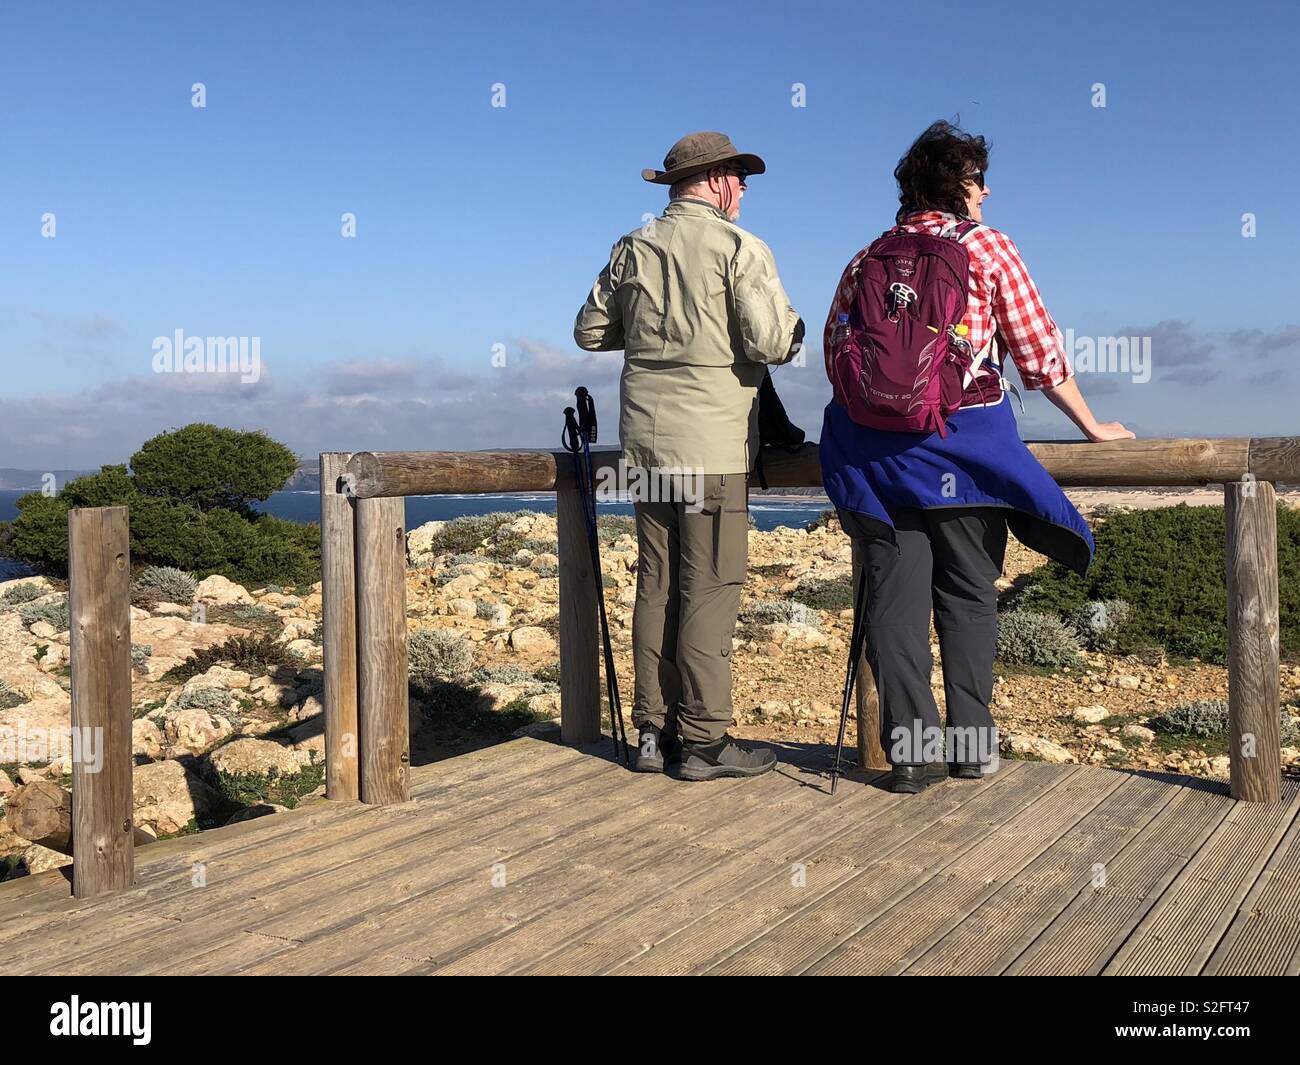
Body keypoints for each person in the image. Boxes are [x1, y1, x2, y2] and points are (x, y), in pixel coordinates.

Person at [820, 120, 1134, 794]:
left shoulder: (867, 256)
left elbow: (835, 354)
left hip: (879, 461)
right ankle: (971, 748)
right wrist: (1090, 423)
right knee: (966, 595)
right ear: (959, 186)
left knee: (896, 607)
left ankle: (911, 757)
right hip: (967, 454)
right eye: (979, 179)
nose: (988, 191)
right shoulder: (987, 247)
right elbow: (1038, 350)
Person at [574, 131, 805, 780]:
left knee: (657, 585)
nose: (746, 188)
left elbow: (590, 330)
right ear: (717, 180)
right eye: (741, 175)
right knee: (710, 588)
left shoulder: (634, 247)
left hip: (647, 450)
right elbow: (767, 338)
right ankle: (703, 741)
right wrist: (795, 331)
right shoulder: (739, 248)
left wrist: (650, 330)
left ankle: (652, 734)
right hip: (712, 450)